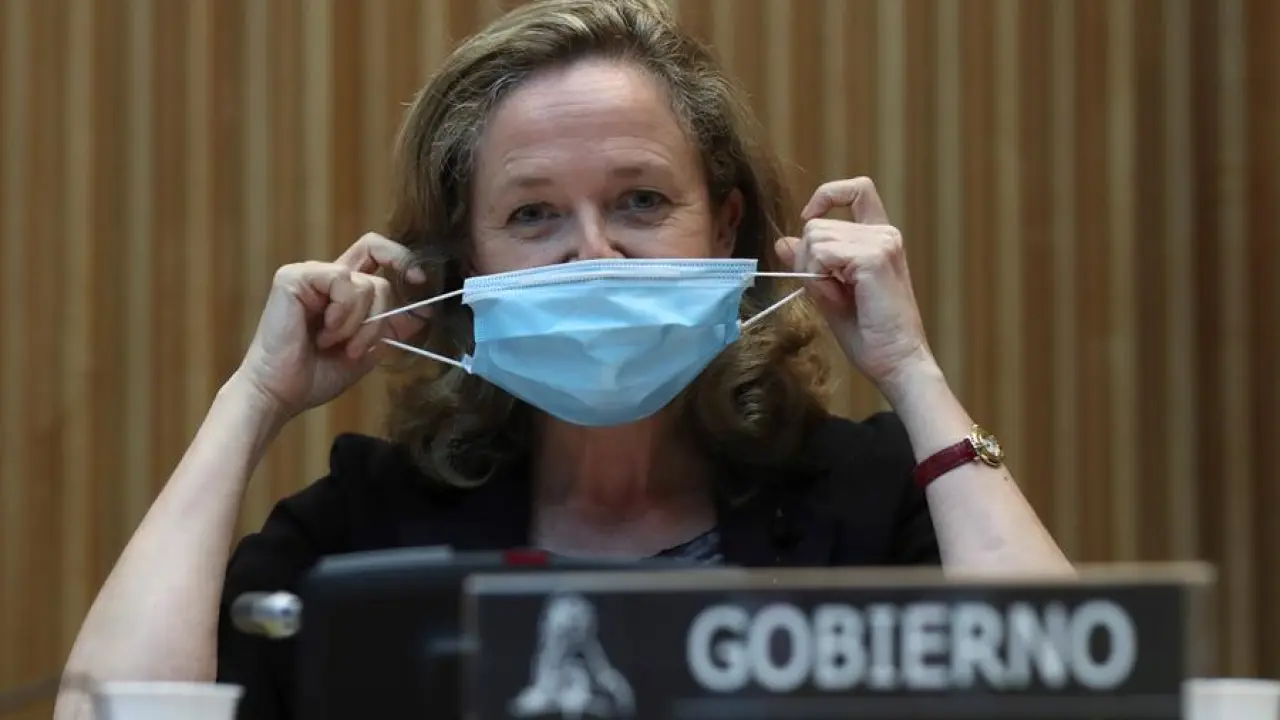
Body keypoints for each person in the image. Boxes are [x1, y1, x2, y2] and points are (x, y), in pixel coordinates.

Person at [53, 1, 1071, 718]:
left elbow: (1071, 698)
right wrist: (252, 399)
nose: (592, 255)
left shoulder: (866, 499)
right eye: (533, 215)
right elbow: (117, 713)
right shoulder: (364, 528)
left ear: (724, 229)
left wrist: (910, 370)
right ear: (468, 264)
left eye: (640, 201)